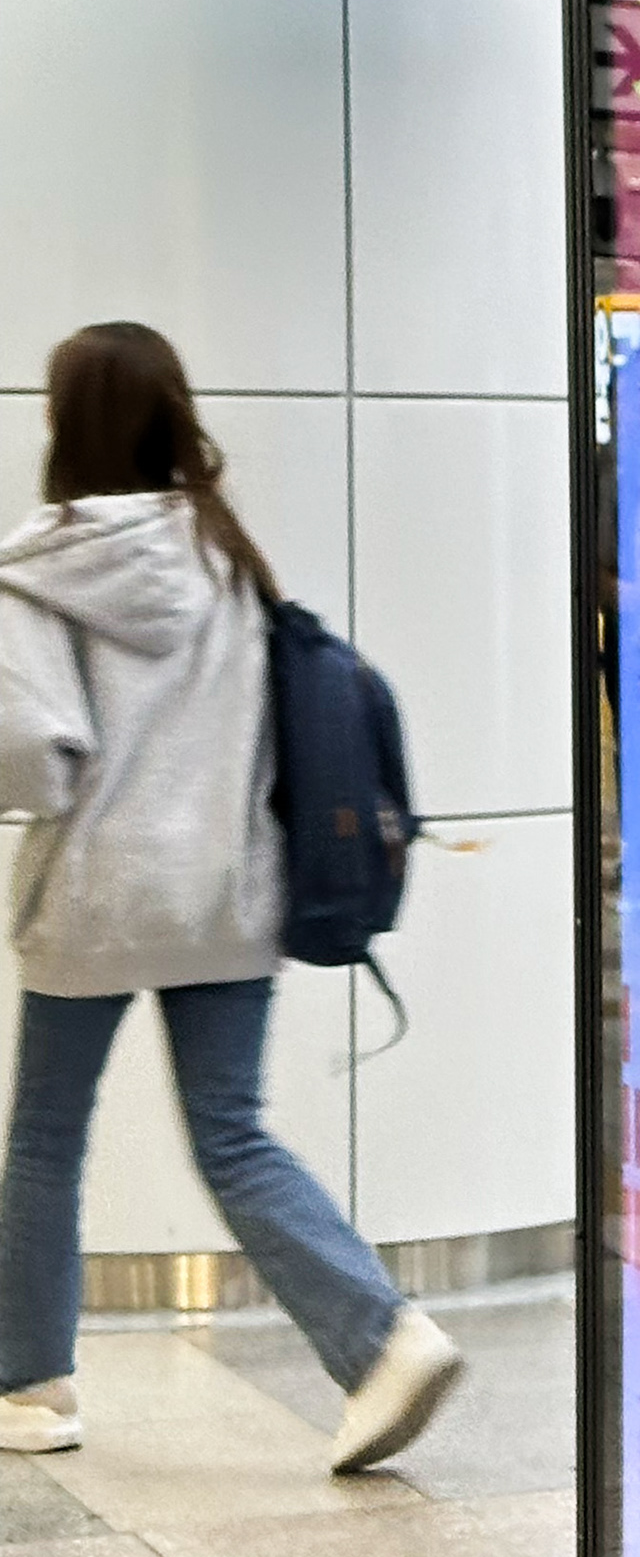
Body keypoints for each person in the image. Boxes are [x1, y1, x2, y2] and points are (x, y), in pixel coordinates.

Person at [0, 323, 460, 1470]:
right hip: (226, 896)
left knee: (47, 1140)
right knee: (233, 1134)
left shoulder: (37, 569)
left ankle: (33, 1389)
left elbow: (36, 761)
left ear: (66, 422)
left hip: (95, 903)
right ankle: (386, 1339)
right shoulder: (225, 554)